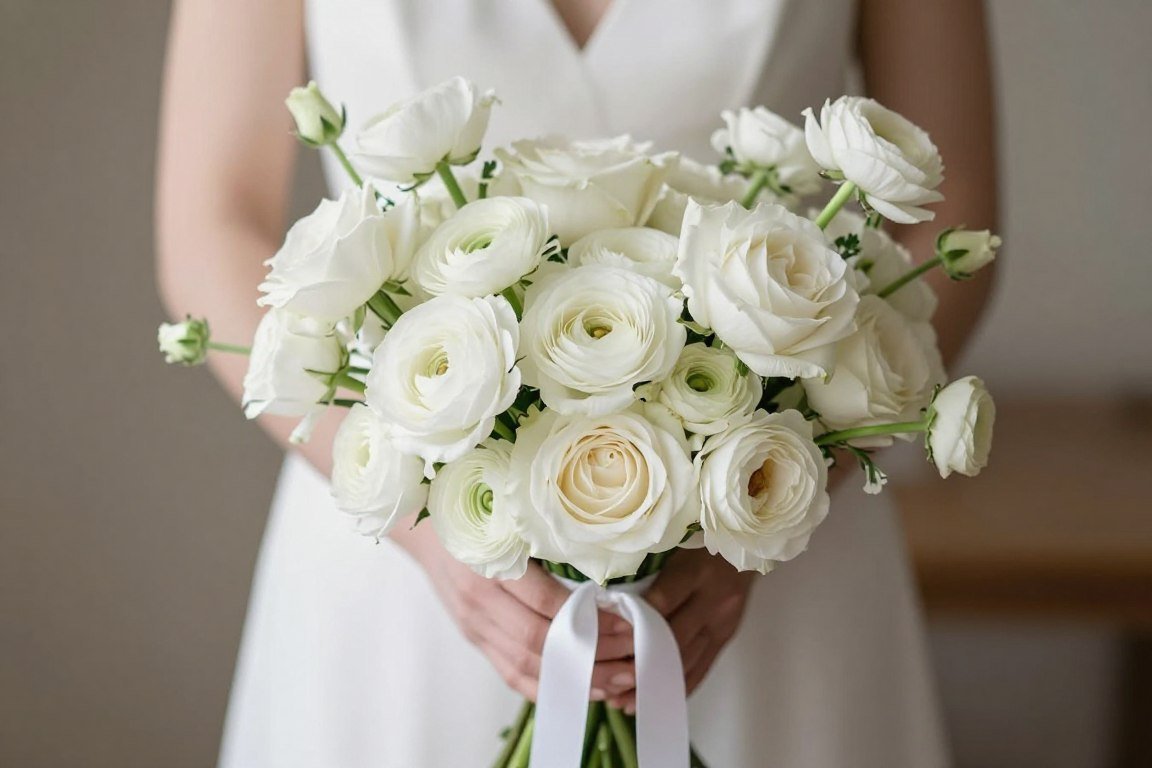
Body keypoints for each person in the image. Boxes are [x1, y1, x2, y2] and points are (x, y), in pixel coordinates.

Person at [156, 1, 996, 765]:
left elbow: (952, 211)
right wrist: (425, 519)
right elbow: (211, 222)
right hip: (399, 554)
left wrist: (759, 506)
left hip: (772, 525)